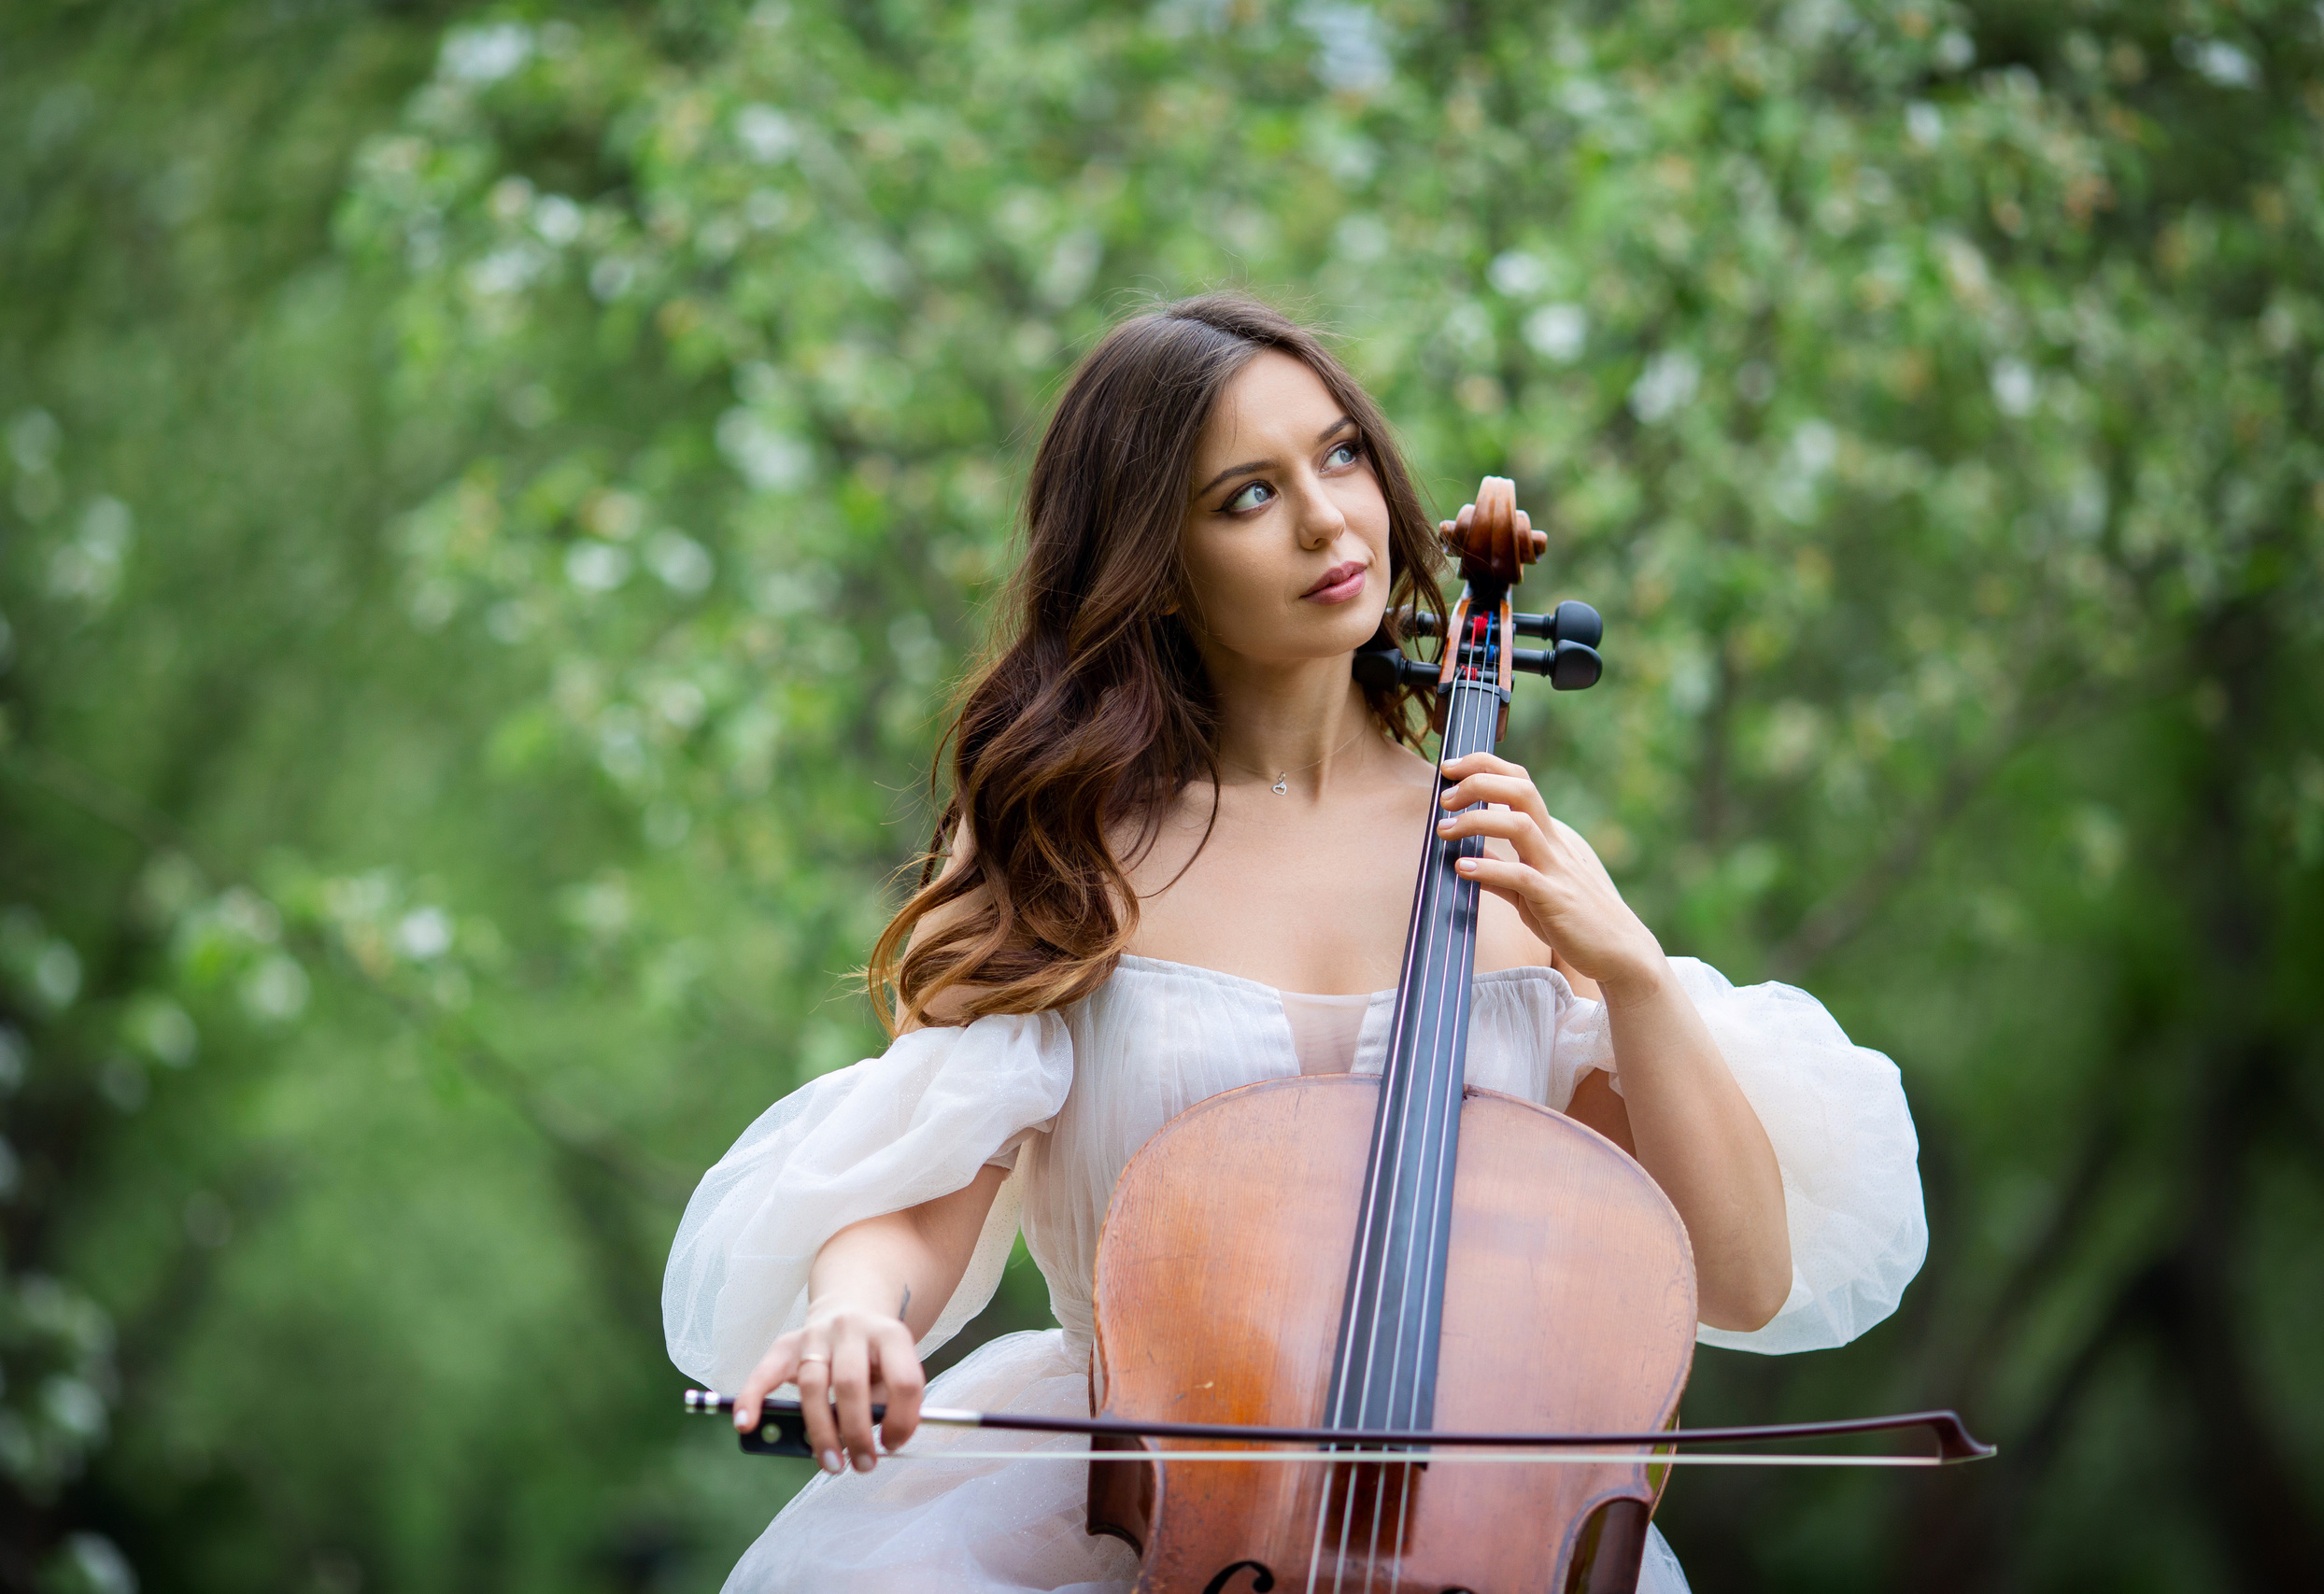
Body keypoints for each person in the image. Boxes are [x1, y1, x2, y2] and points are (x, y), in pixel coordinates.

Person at [662, 294, 1927, 1592]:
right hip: (1136, 1535)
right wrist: (856, 1317)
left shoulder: (1510, 861)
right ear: (1153, 563)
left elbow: (1742, 1279)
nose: (1330, 520)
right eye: (1246, 497)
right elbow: (919, 1196)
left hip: (1479, 1549)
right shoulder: (1070, 853)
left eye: (1340, 456)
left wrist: (1635, 979)